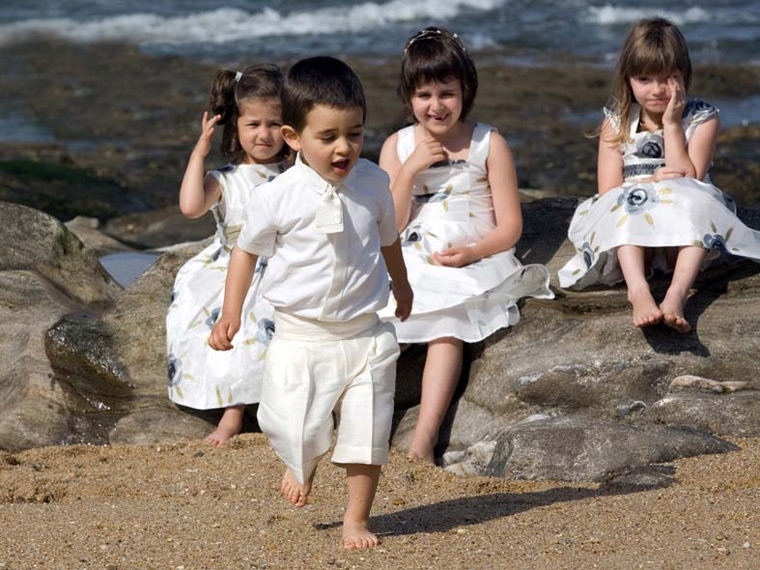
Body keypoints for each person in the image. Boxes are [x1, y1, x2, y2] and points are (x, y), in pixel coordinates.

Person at [208, 56, 413, 550]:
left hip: (365, 333)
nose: (344, 147)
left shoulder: (372, 183)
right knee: (291, 424)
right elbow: (246, 251)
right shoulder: (277, 196)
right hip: (301, 336)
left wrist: (401, 286)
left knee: (367, 433)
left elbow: (389, 240)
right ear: (293, 137)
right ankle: (302, 460)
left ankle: (356, 518)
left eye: (355, 134)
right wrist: (230, 310)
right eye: (328, 137)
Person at [378, 27, 554, 465]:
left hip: (470, 251)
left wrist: (474, 253)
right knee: (373, 321)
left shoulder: (488, 143)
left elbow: (510, 226)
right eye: (424, 95)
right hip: (412, 249)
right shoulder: (396, 146)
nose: (436, 106)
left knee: (447, 324)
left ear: (465, 91)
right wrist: (410, 169)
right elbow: (390, 222)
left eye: (447, 93)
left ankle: (424, 437)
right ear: (408, 97)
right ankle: (364, 427)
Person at [558, 17, 760, 333]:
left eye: (668, 78)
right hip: (634, 229)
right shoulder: (618, 121)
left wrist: (673, 123)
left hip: (682, 229)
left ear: (684, 76)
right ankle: (637, 289)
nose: (657, 90)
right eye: (644, 79)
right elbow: (609, 190)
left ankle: (676, 294)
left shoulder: (702, 118)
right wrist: (650, 184)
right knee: (625, 203)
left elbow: (691, 175)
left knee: (699, 202)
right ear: (628, 79)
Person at [167, 64, 291, 446]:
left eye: (274, 124)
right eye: (253, 124)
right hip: (235, 267)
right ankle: (232, 412)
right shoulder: (227, 179)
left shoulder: (296, 172)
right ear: (235, 126)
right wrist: (199, 152)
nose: (264, 134)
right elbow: (190, 207)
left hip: (284, 260)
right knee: (237, 325)